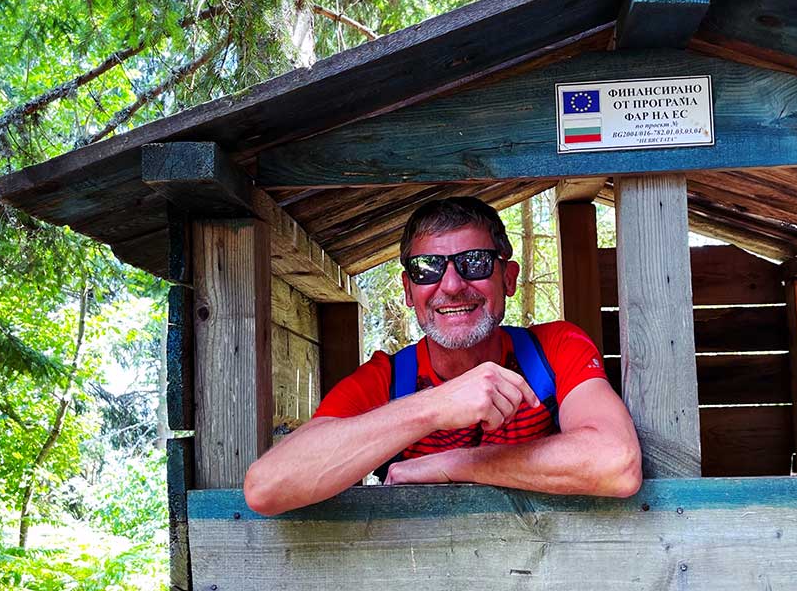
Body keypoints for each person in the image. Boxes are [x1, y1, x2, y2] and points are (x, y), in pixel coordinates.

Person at [244, 196, 642, 516]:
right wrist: (436, 406)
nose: (451, 285)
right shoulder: (387, 380)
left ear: (508, 278)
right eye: (426, 268)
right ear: (408, 290)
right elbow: (267, 487)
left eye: (474, 262)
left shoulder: (553, 350)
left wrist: (455, 464)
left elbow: (616, 463)